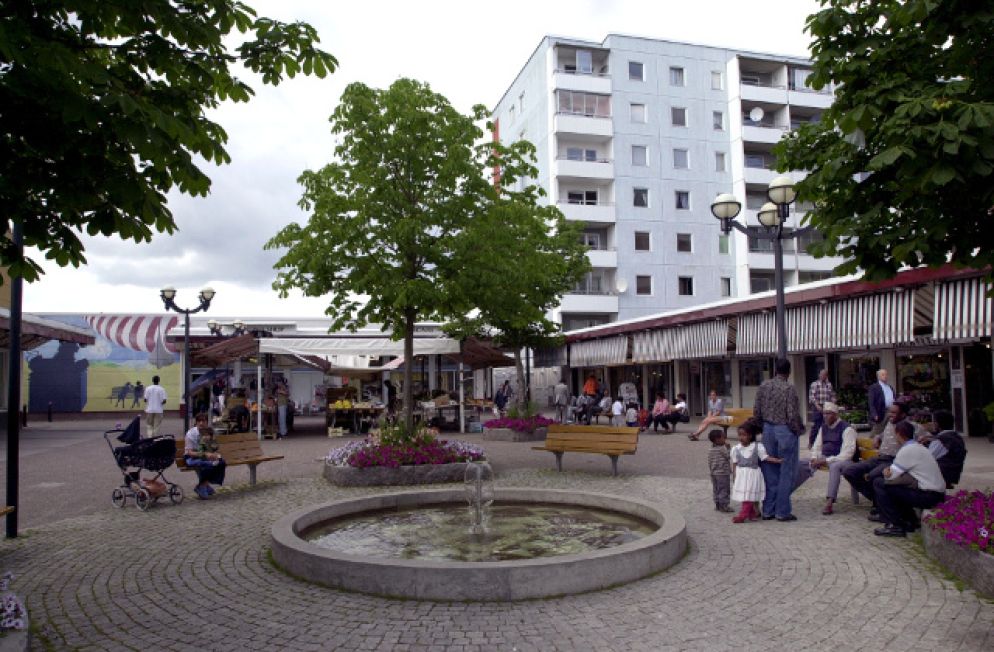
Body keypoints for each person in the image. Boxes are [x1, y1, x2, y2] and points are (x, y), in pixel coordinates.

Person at [843, 401, 926, 517]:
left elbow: (928, 436)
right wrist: (877, 437)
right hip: (879, 458)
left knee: (872, 476)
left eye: (894, 412)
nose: (890, 415)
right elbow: (883, 434)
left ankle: (881, 504)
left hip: (894, 461)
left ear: (903, 414)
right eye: (889, 412)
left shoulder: (911, 426)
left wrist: (925, 439)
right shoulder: (890, 424)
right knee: (849, 471)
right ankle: (878, 500)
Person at [871, 421, 947, 537]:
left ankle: (895, 525)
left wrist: (886, 472)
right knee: (898, 488)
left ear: (899, 434)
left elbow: (891, 476)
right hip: (937, 494)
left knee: (880, 483)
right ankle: (909, 520)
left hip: (928, 496)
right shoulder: (919, 447)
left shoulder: (907, 450)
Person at [754, 358, 804, 521]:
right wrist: (798, 430)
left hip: (767, 430)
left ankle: (768, 509)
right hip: (784, 430)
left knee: (769, 470)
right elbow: (792, 414)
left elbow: (757, 411)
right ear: (788, 372)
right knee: (786, 471)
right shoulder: (789, 388)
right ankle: (782, 511)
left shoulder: (764, 386)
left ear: (775, 370)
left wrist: (762, 427)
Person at [808, 401, 857, 515]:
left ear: (835, 415)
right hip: (826, 458)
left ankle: (830, 502)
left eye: (828, 413)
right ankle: (783, 495)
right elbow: (817, 446)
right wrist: (814, 457)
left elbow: (847, 454)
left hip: (844, 461)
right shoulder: (823, 427)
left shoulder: (847, 429)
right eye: (824, 413)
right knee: (803, 464)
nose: (825, 416)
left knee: (835, 467)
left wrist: (825, 460)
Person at [730, 418, 782, 523]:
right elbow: (734, 463)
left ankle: (742, 515)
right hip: (742, 475)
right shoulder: (736, 449)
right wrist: (734, 476)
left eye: (744, 435)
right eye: (739, 435)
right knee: (745, 495)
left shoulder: (757, 447)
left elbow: (765, 457)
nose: (741, 437)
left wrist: (778, 460)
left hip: (753, 475)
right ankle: (752, 514)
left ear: (750, 435)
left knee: (749, 496)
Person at [918, 409, 967, 488]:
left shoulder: (940, 440)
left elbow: (927, 458)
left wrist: (919, 446)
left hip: (938, 475)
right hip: (952, 474)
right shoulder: (956, 437)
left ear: (937, 424)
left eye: (933, 422)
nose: (932, 424)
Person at [183, 413, 226, 499]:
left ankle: (204, 484)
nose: (201, 423)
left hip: (205, 457)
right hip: (191, 458)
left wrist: (215, 454)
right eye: (199, 421)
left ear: (207, 422)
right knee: (207, 464)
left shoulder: (209, 431)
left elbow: (214, 448)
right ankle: (202, 486)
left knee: (221, 462)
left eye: (203, 421)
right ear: (196, 422)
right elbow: (190, 452)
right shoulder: (191, 434)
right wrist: (205, 454)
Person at [807, 368, 835, 448]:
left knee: (826, 425)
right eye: (822, 374)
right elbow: (812, 397)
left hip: (826, 405)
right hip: (817, 405)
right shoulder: (814, 384)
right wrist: (817, 406)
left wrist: (833, 400)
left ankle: (824, 442)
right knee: (817, 425)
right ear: (819, 375)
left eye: (825, 375)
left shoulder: (829, 384)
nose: (824, 376)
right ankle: (811, 442)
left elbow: (832, 395)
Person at [708, 429, 733, 513]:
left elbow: (710, 461)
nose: (725, 439)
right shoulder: (721, 449)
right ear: (717, 439)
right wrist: (729, 448)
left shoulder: (711, 449)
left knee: (716, 489)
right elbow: (728, 456)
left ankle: (717, 504)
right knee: (724, 489)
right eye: (723, 437)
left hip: (713, 473)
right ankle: (724, 505)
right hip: (722, 473)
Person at [867, 369, 895, 436]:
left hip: (890, 410)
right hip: (880, 411)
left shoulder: (890, 387)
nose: (885, 376)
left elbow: (894, 398)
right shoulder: (874, 387)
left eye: (886, 374)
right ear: (878, 376)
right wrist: (874, 414)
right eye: (883, 375)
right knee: (878, 430)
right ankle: (871, 440)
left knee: (890, 429)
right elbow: (871, 402)